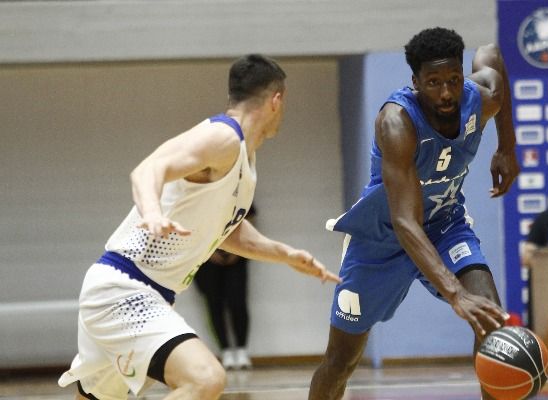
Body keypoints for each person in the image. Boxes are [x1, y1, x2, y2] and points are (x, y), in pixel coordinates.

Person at [58, 54, 340, 400]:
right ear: (276, 100)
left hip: (144, 293)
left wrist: (286, 255)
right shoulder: (222, 137)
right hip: (125, 289)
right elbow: (148, 170)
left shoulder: (243, 157)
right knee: (205, 379)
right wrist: (152, 212)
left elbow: (227, 230)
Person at [308, 27, 519, 400]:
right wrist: (454, 293)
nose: (446, 92)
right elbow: (405, 222)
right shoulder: (397, 122)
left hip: (445, 226)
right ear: (416, 82)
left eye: (453, 79)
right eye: (434, 82)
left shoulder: (480, 98)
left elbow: (492, 55)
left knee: (492, 324)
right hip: (382, 238)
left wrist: (507, 148)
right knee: (340, 361)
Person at [193, 206, 256, 370]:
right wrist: (208, 251)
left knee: (238, 302)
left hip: (237, 256)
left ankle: (242, 350)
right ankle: (225, 351)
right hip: (206, 258)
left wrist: (237, 248)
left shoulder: (239, 191)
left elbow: (250, 217)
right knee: (214, 304)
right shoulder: (196, 196)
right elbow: (191, 225)